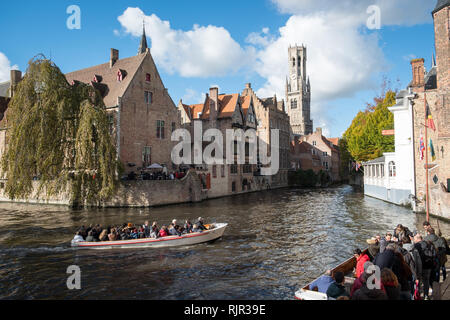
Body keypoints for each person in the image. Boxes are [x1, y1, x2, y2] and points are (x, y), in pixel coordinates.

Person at [414, 233, 436, 299]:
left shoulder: (416, 245)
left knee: (419, 281)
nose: (414, 240)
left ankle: (419, 296)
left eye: (414, 239)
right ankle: (426, 296)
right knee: (426, 281)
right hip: (428, 266)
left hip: (420, 266)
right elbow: (434, 254)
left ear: (418, 239)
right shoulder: (429, 244)